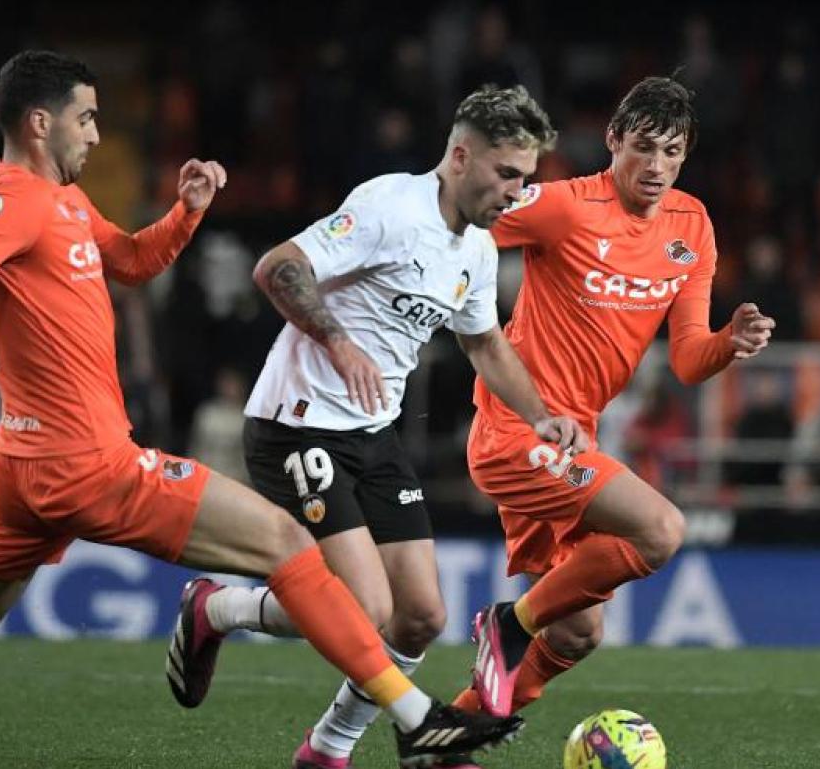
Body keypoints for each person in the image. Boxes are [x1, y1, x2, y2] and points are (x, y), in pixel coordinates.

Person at [0, 50, 521, 769]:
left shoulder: (62, 201)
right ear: (40, 123)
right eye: (86, 117)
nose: (97, 131)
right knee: (286, 540)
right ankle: (416, 715)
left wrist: (185, 214)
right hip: (85, 461)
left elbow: (131, 262)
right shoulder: (14, 201)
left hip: (28, 471)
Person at [167, 84, 585, 769]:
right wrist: (337, 340)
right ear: (459, 155)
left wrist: (541, 415)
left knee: (420, 616)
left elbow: (483, 345)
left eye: (526, 178)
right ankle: (218, 611)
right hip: (297, 424)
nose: (516, 192)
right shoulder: (390, 206)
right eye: (507, 173)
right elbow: (278, 267)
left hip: (371, 433)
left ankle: (325, 751)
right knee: (360, 606)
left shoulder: (477, 250)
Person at [454, 76, 776, 719]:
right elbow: (461, 220)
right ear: (613, 140)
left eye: (673, 152)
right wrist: (454, 301)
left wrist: (727, 343)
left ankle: (453, 730)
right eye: (643, 147)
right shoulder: (566, 206)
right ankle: (509, 627)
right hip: (518, 431)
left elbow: (686, 360)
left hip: (577, 439)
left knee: (579, 632)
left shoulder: (693, 226)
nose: (657, 167)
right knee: (661, 529)